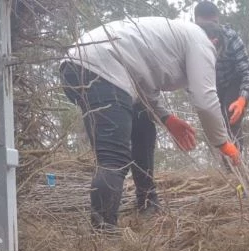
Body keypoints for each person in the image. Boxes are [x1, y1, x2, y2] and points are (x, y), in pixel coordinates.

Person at [61, 17, 239, 230]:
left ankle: (147, 201)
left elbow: (145, 88)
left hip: (79, 66)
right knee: (113, 158)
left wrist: (167, 118)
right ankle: (103, 235)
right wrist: (223, 143)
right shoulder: (201, 40)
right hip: (101, 68)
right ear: (215, 42)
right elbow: (205, 99)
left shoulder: (171, 37)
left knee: (143, 124)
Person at [194, 1, 249, 151]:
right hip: (210, 84)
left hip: (233, 80)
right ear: (196, 22)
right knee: (216, 122)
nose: (209, 30)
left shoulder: (231, 37)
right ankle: (227, 159)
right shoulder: (190, 40)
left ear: (217, 20)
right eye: (203, 26)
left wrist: (242, 99)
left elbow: (248, 72)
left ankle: (235, 165)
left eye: (213, 24)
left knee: (231, 117)